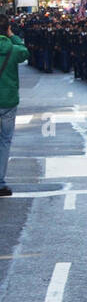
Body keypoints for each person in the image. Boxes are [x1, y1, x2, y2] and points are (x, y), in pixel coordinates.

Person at [0, 14, 29, 197]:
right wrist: (13, 36)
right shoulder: (13, 48)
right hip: (8, 100)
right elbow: (25, 51)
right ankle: (0, 182)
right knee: (4, 141)